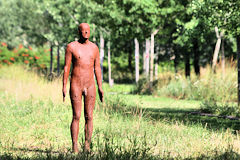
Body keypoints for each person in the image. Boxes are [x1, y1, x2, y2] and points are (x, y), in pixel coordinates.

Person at [62, 23, 104, 153]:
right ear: (78, 32)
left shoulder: (94, 48)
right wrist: (64, 86)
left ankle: (87, 145)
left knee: (89, 116)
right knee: (77, 115)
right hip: (76, 84)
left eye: (88, 31)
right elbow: (66, 67)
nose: (86, 33)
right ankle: (75, 146)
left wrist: (100, 86)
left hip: (90, 84)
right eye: (83, 31)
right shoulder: (72, 47)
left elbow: (97, 68)